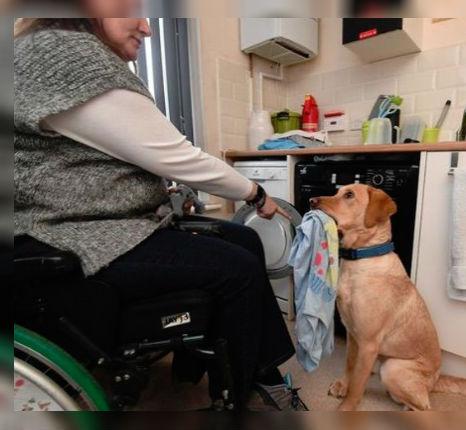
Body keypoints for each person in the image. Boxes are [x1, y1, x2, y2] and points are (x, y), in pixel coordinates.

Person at [14, 15, 306, 411]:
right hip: (70, 233)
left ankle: (233, 370)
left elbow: (91, 161)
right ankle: (247, 391)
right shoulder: (62, 53)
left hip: (100, 221)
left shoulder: (64, 51)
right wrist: (256, 194)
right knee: (235, 267)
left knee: (245, 237)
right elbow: (178, 157)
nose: (148, 27)